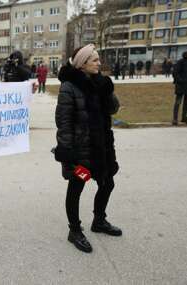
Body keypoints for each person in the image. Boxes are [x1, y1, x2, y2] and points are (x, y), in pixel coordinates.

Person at [54, 44, 122, 253]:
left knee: (107, 183)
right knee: (77, 187)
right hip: (80, 153)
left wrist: (107, 90)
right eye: (94, 60)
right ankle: (74, 230)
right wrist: (67, 153)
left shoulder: (101, 83)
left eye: (98, 59)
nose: (99, 63)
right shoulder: (69, 87)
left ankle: (99, 221)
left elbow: (113, 109)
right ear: (83, 64)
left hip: (102, 149)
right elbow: (63, 122)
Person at [172, 51, 187, 125]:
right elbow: (175, 73)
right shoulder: (180, 62)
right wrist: (180, 80)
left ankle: (184, 117)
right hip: (181, 86)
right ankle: (175, 119)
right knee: (178, 102)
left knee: (186, 103)